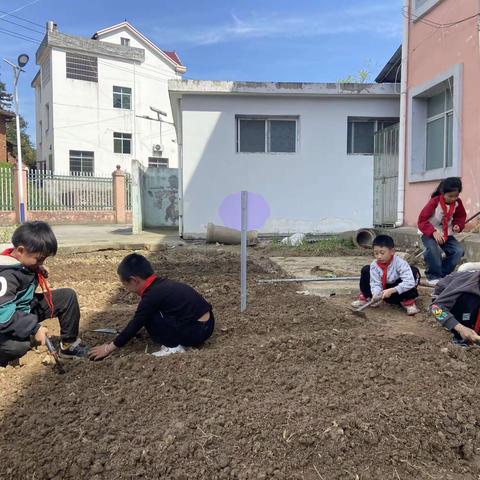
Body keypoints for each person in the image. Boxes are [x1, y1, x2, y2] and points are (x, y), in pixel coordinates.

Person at [89, 253, 215, 361]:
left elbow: (136, 324)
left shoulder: (152, 296)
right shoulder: (161, 285)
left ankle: (173, 347)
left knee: (148, 316)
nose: (127, 290)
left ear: (134, 280)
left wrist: (108, 348)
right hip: (207, 323)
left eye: (125, 284)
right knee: (150, 313)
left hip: (197, 332)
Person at [0, 221, 88, 367]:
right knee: (18, 347)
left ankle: (68, 345)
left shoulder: (21, 260)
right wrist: (34, 328)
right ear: (21, 251)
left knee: (67, 297)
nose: (41, 262)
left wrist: (37, 267)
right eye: (39, 259)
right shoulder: (6, 275)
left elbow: (24, 269)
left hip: (23, 309)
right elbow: (3, 315)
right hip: (5, 319)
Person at [351, 235, 421, 315]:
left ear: (392, 251)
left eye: (382, 253)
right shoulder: (374, 265)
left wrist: (392, 290)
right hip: (384, 293)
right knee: (366, 270)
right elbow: (375, 283)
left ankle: (408, 302)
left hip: (397, 292)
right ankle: (367, 298)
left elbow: (409, 282)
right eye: (376, 253)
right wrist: (376, 294)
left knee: (413, 271)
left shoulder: (400, 263)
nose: (379, 256)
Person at [418, 177, 466, 286]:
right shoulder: (434, 202)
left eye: (456, 196)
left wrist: (458, 225)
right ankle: (433, 276)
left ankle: (443, 274)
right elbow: (422, 220)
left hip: (446, 233)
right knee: (432, 249)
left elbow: (461, 216)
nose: (453, 199)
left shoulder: (458, 203)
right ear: (442, 192)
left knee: (458, 251)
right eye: (450, 196)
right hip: (429, 231)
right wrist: (433, 232)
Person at [430, 270, 480, 346]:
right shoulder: (469, 284)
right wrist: (461, 329)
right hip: (444, 300)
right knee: (469, 300)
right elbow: (435, 309)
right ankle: (460, 337)